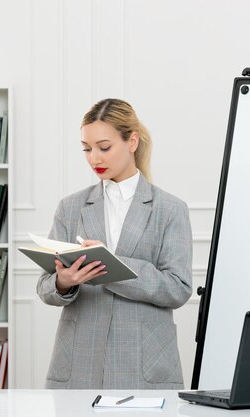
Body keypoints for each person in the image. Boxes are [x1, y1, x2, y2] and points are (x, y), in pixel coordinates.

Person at [36, 98, 193, 389]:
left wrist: (114, 267)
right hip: (79, 364)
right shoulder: (70, 207)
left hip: (145, 366)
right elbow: (45, 287)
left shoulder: (170, 209)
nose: (94, 158)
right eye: (86, 148)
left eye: (104, 147)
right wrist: (63, 281)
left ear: (131, 141)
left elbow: (178, 288)